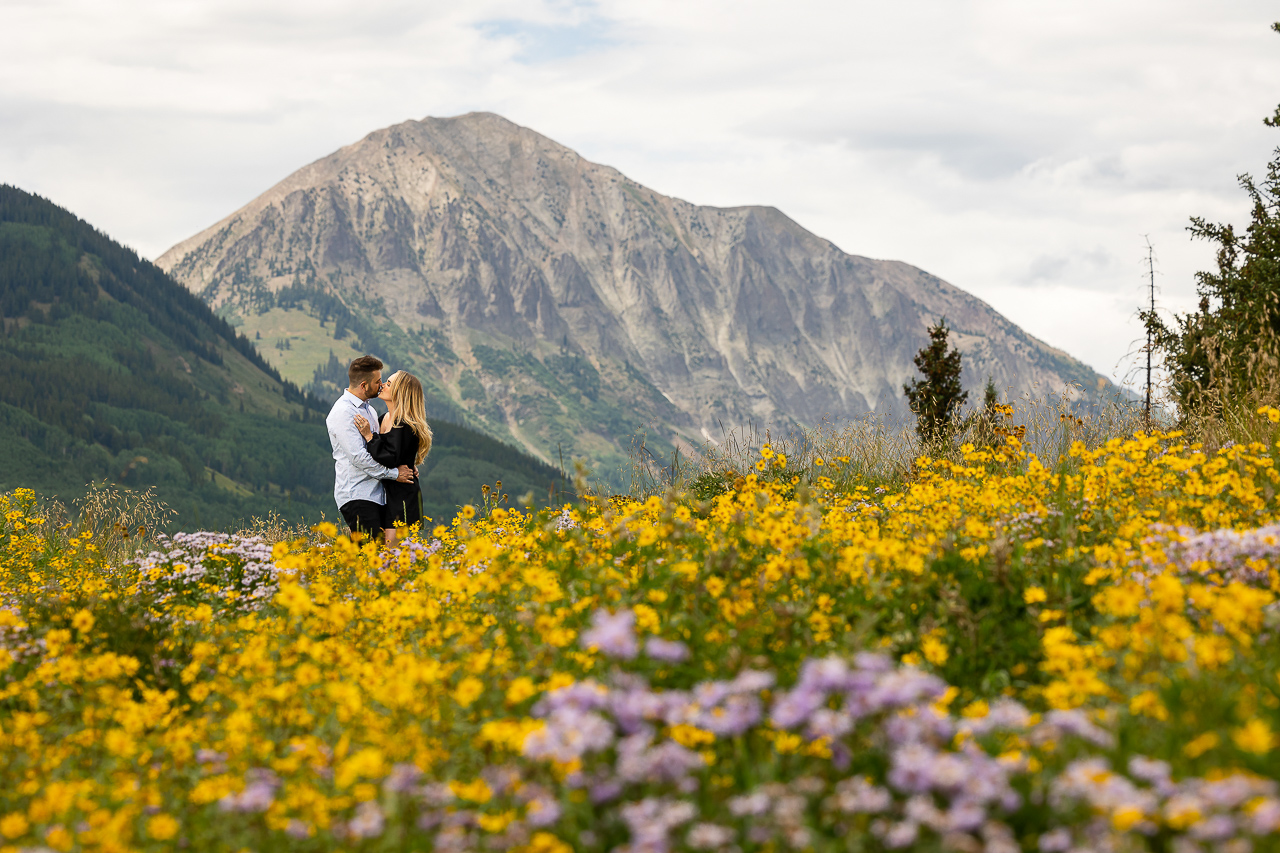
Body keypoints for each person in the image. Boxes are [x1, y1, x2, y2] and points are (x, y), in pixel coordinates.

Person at [325, 355, 415, 541]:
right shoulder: (343, 412)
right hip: (357, 493)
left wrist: (406, 464)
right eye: (378, 381)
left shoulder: (370, 410)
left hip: (376, 494)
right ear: (364, 385)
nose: (381, 385)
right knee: (368, 553)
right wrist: (395, 474)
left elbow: (383, 448)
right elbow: (359, 458)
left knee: (375, 554)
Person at [354, 370, 433, 545]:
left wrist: (369, 437)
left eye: (389, 384)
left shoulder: (405, 424)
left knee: (393, 554)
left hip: (402, 497)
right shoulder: (384, 418)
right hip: (384, 493)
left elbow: (390, 458)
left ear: (400, 392)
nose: (382, 385)